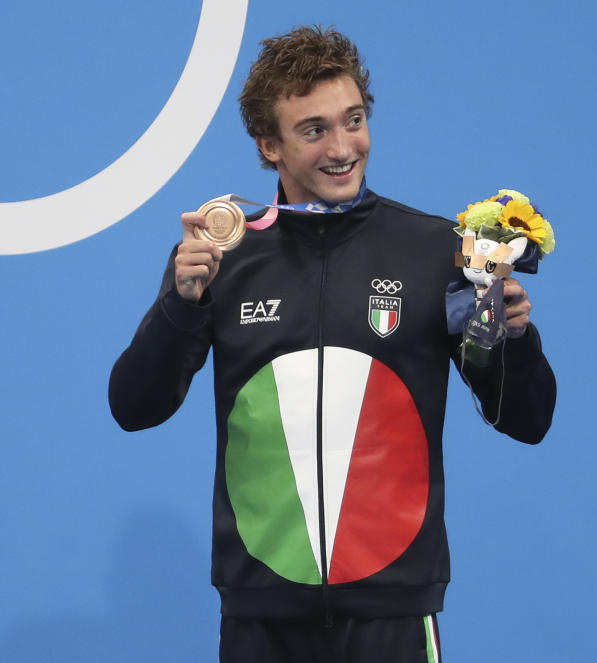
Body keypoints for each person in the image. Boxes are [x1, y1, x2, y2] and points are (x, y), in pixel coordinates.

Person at [109, 25, 555, 663]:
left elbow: (527, 418)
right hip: (260, 610)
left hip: (392, 608)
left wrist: (514, 339)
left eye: (354, 121)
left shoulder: (435, 250)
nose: (344, 147)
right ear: (269, 145)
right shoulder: (222, 256)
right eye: (314, 130)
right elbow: (134, 406)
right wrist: (181, 305)